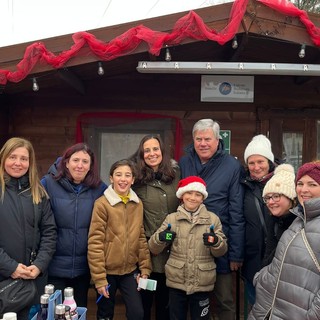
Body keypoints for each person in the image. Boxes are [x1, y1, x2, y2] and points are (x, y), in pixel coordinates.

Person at [179, 119, 244, 320]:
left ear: (217, 140)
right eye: (198, 139)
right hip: (188, 245)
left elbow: (236, 211)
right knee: (191, 299)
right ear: (193, 140)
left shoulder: (231, 165)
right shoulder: (185, 162)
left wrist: (236, 254)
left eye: (207, 139)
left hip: (219, 245)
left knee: (224, 299)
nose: (203, 143)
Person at [248, 160, 320, 319]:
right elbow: (279, 262)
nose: (304, 189)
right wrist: (261, 279)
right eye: (300, 183)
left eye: (312, 184)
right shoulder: (299, 221)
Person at [148, 176, 228, 320]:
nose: (193, 198)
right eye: (189, 193)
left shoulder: (212, 219)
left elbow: (221, 251)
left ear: (202, 198)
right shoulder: (172, 219)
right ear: (182, 195)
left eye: (197, 194)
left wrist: (216, 242)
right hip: (176, 282)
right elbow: (153, 248)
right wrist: (160, 238)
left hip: (202, 282)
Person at [41, 143, 106, 311]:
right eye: (75, 160)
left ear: (91, 166)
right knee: (54, 312)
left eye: (85, 161)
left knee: (78, 312)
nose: (80, 165)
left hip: (83, 268)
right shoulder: (47, 184)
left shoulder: (99, 188)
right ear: (66, 162)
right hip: (54, 265)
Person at [88, 159, 152, 320]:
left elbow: (141, 238)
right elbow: (95, 243)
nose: (123, 179)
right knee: (105, 314)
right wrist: (100, 279)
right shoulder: (102, 204)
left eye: (127, 175)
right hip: (107, 272)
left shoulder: (137, 204)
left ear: (133, 180)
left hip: (129, 271)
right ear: (111, 178)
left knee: (137, 313)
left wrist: (145, 269)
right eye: (118, 175)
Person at [0, 137, 56, 320]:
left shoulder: (39, 193)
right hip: (3, 281)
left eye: (23, 158)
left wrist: (39, 265)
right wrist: (11, 267)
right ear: (3, 159)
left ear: (30, 163)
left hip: (33, 282)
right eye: (12, 157)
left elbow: (49, 233)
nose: (18, 163)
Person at [130, 134, 180, 320]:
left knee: (165, 307)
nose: (152, 154)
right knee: (143, 305)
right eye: (147, 150)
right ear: (142, 154)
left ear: (162, 151)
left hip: (173, 253)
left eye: (155, 149)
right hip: (146, 254)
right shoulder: (137, 180)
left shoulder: (175, 175)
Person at [241, 134, 276, 306]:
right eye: (251, 162)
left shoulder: (281, 184)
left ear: (269, 162)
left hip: (277, 259)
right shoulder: (244, 186)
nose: (256, 167)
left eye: (260, 162)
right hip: (252, 260)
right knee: (255, 306)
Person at [261, 163, 296, 266]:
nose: (270, 202)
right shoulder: (274, 220)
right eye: (267, 198)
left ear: (290, 197)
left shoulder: (302, 224)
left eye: (276, 196)